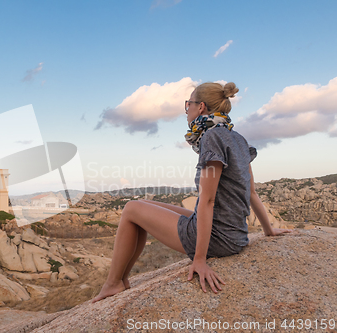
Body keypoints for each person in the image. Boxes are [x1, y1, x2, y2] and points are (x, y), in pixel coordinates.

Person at [91, 81, 291, 303]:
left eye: (189, 105)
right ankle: (123, 280)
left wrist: (200, 259)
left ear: (201, 107)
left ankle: (113, 283)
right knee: (144, 207)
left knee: (130, 209)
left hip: (218, 238)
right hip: (236, 235)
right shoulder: (238, 139)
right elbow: (251, 191)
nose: (187, 111)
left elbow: (207, 200)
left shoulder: (211, 137)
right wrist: (268, 230)